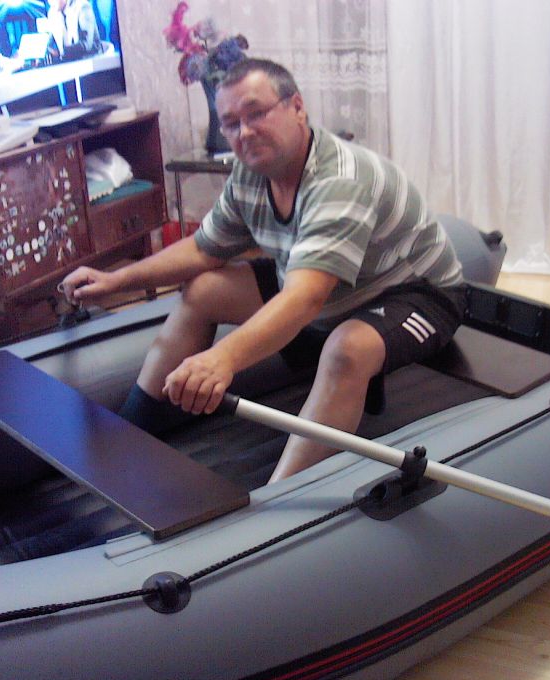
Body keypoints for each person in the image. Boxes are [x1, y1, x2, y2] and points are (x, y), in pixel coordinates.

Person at [61, 58, 466, 481]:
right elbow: (204, 249)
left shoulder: (340, 180)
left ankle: (279, 498)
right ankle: (129, 436)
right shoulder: (250, 173)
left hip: (414, 294)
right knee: (204, 290)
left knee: (347, 349)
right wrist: (116, 280)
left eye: (256, 114)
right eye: (231, 123)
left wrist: (223, 358)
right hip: (330, 289)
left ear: (297, 108)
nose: (245, 132)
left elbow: (306, 297)